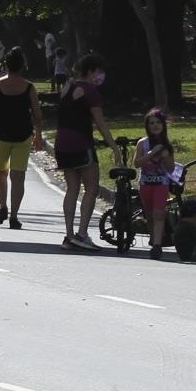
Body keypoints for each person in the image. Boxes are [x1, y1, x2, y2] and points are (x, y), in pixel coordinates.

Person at [54, 54, 114, 251]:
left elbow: (69, 113)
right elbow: (101, 123)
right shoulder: (91, 92)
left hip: (62, 140)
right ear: (91, 71)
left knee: (72, 189)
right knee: (91, 188)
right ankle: (82, 233)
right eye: (99, 71)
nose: (101, 76)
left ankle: (69, 234)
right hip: (80, 141)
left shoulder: (67, 87)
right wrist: (112, 145)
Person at [0, 48, 44, 227]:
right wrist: (38, 135)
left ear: (5, 65)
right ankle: (14, 215)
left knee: (0, 173)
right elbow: (37, 115)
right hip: (22, 136)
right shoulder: (29, 87)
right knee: (18, 176)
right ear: (22, 66)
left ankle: (2, 206)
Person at [137, 107, 182, 256]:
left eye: (158, 123)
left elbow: (170, 169)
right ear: (147, 126)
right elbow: (137, 163)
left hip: (161, 185)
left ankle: (157, 245)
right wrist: (150, 154)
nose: (155, 126)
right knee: (149, 215)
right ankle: (153, 238)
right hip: (146, 184)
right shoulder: (142, 144)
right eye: (151, 123)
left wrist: (165, 155)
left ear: (163, 126)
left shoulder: (166, 146)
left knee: (158, 214)